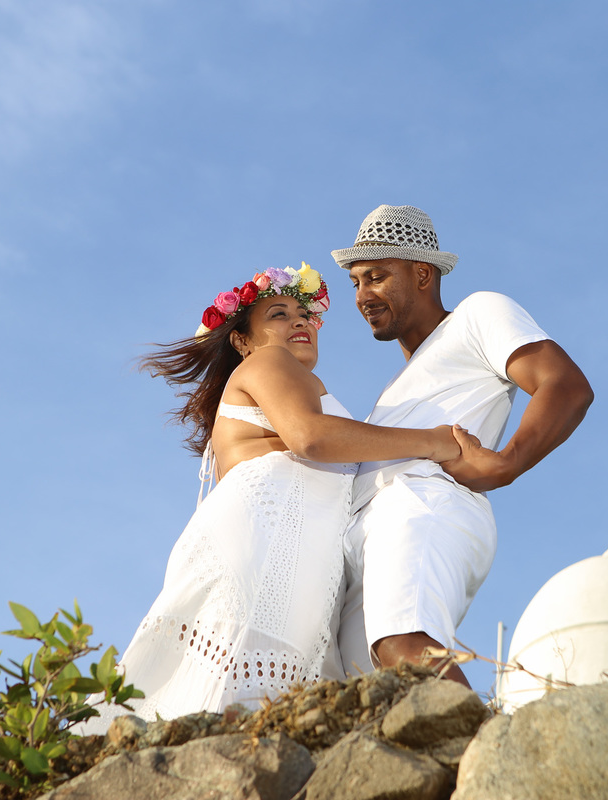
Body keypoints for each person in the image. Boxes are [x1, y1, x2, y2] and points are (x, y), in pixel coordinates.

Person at [81, 263, 460, 732]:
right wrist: (433, 441)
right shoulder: (268, 361)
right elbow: (309, 437)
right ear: (243, 341)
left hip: (279, 544)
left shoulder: (280, 378)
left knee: (244, 694)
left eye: (305, 314)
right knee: (245, 685)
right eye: (279, 314)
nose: (300, 322)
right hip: (266, 543)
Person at [330, 205, 594, 688]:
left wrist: (507, 463)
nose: (363, 295)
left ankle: (492, 762)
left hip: (421, 506)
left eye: (377, 277)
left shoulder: (478, 314)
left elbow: (566, 385)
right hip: (365, 538)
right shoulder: (394, 389)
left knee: (406, 649)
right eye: (356, 283)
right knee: (369, 693)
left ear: (423, 274)